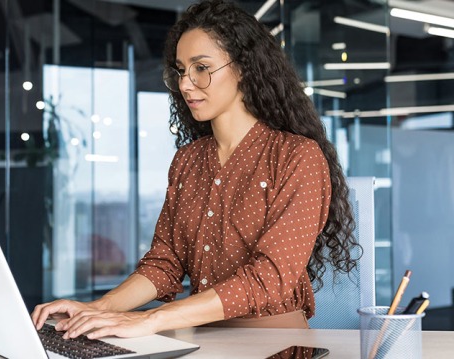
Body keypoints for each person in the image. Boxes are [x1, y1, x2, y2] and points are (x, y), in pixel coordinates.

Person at [32, 0, 358, 339]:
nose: (186, 84)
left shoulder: (297, 157)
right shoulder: (187, 161)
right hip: (203, 337)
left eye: (201, 68)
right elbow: (164, 263)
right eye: (181, 70)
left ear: (244, 67)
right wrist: (101, 308)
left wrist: (153, 319)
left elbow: (270, 278)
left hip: (276, 341)